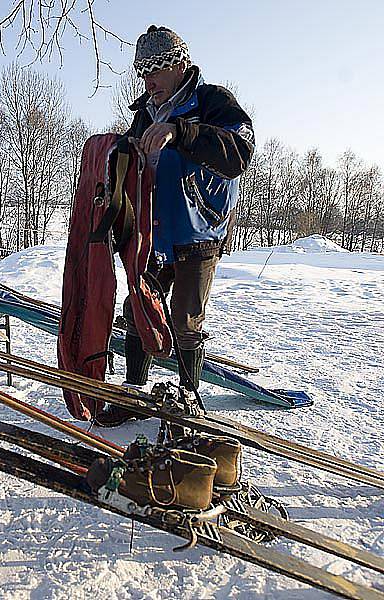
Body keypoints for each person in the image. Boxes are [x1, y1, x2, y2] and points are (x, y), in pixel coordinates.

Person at [95, 26, 255, 426]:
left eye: (155, 71)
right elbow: (129, 168)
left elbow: (239, 152)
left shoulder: (213, 101)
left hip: (199, 230)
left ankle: (187, 402)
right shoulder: (144, 114)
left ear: (179, 65)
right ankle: (133, 393)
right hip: (153, 232)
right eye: (142, 73)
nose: (148, 82)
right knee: (138, 308)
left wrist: (181, 131)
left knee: (185, 317)